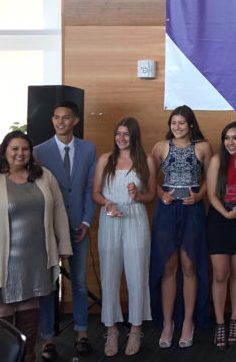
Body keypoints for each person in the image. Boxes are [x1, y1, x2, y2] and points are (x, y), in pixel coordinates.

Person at [0, 131, 72, 362]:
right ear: (4, 151)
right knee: (3, 307)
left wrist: (63, 245)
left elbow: (59, 211)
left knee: (30, 307)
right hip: (2, 260)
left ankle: (27, 356)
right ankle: (1, 357)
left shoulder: (44, 176)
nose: (20, 153)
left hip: (36, 258)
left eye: (24, 149)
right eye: (14, 148)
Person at [31, 101, 97, 360]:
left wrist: (87, 221)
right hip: (49, 230)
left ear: (75, 120)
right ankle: (47, 338)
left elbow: (89, 189)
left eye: (66, 117)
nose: (60, 122)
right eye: (56, 117)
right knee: (50, 285)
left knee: (79, 283)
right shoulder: (38, 151)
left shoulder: (88, 149)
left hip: (79, 226)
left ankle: (82, 333)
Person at [149, 105, 213, 349]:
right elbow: (151, 178)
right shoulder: (160, 147)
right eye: (173, 123)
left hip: (192, 209)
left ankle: (187, 321)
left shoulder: (203, 146)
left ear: (191, 124)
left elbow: (211, 178)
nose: (177, 127)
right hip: (166, 211)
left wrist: (199, 196)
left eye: (182, 123)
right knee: (168, 265)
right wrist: (160, 194)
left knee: (189, 265)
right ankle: (167, 323)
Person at [92, 117, 157, 356]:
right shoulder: (105, 160)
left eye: (126, 134)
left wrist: (137, 195)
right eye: (118, 133)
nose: (121, 138)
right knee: (109, 274)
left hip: (136, 218)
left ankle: (135, 329)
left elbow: (151, 195)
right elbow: (95, 193)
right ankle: (111, 331)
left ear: (134, 136)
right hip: (110, 218)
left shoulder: (146, 160)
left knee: (137, 274)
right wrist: (107, 204)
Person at [205, 122, 236, 350]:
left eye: (235, 138)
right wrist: (226, 213)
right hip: (220, 221)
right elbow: (212, 195)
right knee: (221, 274)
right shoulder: (216, 160)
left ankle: (234, 319)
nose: (230, 143)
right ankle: (220, 322)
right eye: (227, 138)